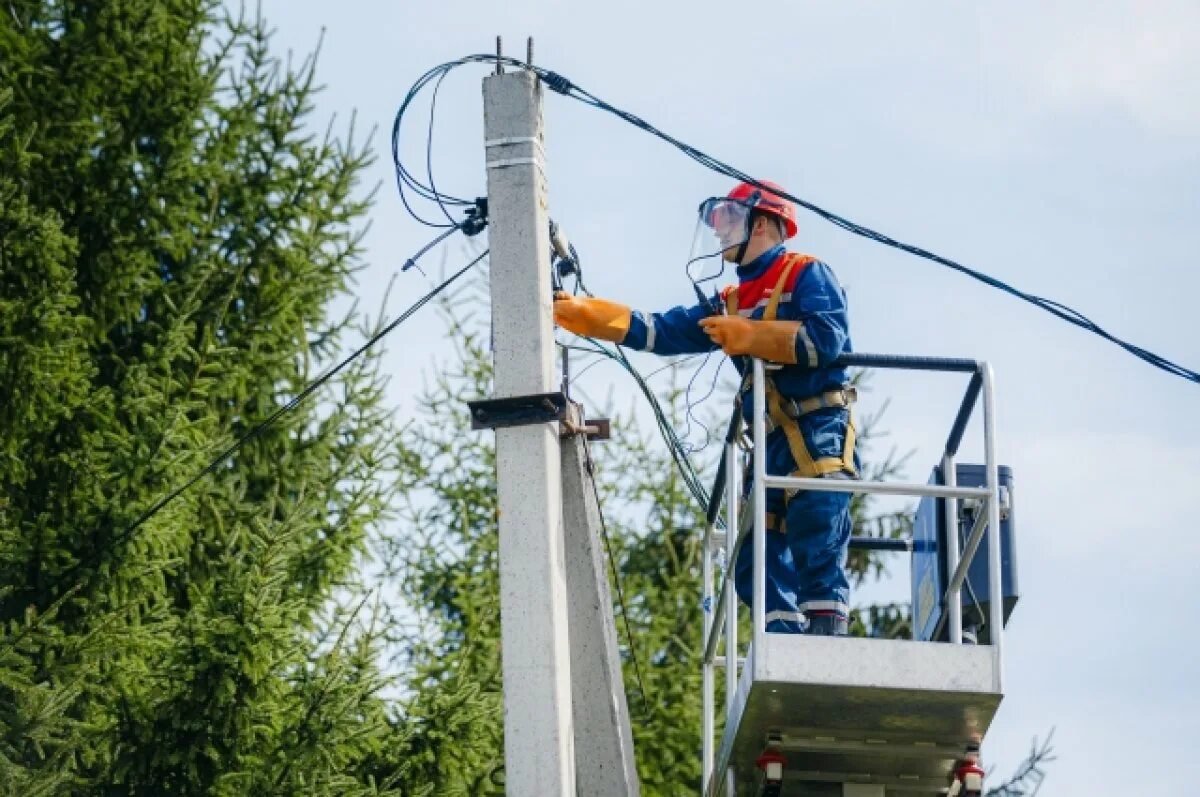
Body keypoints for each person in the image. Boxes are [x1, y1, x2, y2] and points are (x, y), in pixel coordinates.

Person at [553, 180, 858, 636]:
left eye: (729, 220)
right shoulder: (731, 301)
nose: (719, 233)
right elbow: (659, 331)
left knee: (817, 524)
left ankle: (825, 644)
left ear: (765, 223)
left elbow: (827, 341)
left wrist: (753, 335)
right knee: (756, 553)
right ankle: (783, 644)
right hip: (771, 437)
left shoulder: (805, 274)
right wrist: (584, 314)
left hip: (818, 426)